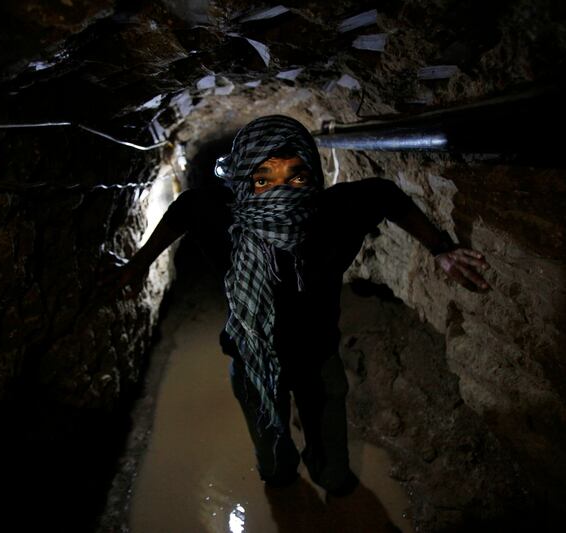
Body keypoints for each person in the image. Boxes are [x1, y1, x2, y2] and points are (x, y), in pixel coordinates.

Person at [106, 115, 490, 498]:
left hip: (318, 358)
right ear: (242, 184)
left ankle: (329, 484)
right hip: (252, 358)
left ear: (314, 178)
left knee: (335, 474)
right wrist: (140, 263)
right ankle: (282, 479)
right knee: (275, 467)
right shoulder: (221, 217)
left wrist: (441, 248)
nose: (282, 191)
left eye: (297, 177)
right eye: (263, 180)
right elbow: (184, 210)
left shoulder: (333, 214)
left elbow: (386, 196)